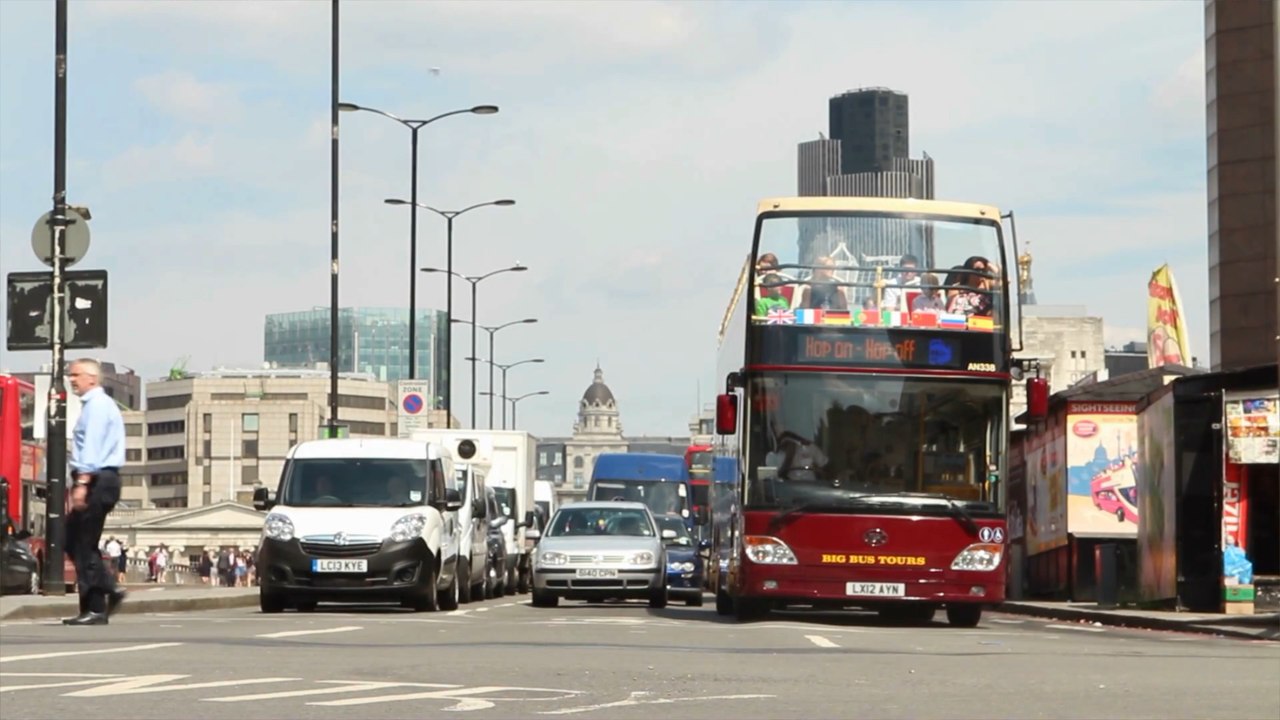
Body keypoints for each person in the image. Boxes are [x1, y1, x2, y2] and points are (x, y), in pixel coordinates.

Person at [63, 358, 126, 625]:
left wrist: (82, 483)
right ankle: (94, 603)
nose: (72, 380)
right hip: (97, 478)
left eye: (76, 375)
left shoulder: (97, 407)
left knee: (83, 542)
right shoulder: (95, 405)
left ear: (92, 377)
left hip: (97, 478)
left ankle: (104, 596)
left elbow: (91, 446)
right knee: (74, 541)